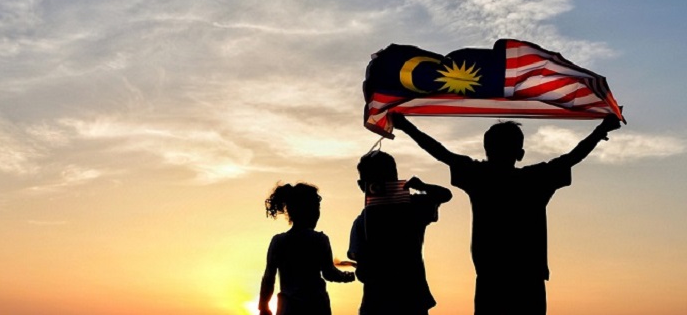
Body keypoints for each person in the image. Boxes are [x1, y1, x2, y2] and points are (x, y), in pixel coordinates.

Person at [391, 113, 622, 315]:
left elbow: (441, 153)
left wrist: (405, 125)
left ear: (487, 150)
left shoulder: (480, 177)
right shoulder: (535, 180)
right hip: (528, 280)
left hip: (491, 279)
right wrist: (601, 129)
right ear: (520, 153)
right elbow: (572, 157)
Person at [348, 150, 452, 315]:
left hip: (377, 303)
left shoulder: (362, 222)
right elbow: (444, 194)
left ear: (363, 186)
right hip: (412, 299)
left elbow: (362, 269)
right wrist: (422, 186)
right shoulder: (413, 207)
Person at [258, 182, 355, 315]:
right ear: (312, 211)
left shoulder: (278, 241)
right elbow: (329, 273)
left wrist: (263, 306)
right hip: (316, 307)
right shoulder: (319, 239)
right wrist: (347, 276)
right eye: (317, 207)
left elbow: (269, 277)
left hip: (288, 308)